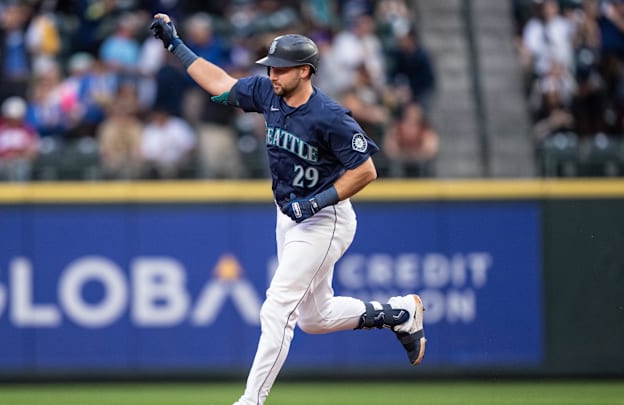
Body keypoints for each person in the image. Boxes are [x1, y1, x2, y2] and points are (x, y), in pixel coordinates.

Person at [150, 14, 426, 405]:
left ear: (305, 71)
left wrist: (318, 201)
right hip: (290, 216)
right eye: (271, 67)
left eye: (280, 69)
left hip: (325, 219)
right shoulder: (268, 94)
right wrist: (177, 46)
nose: (273, 74)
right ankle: (399, 312)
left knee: (277, 306)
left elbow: (365, 170)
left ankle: (251, 400)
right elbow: (222, 83)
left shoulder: (330, 115)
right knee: (316, 318)